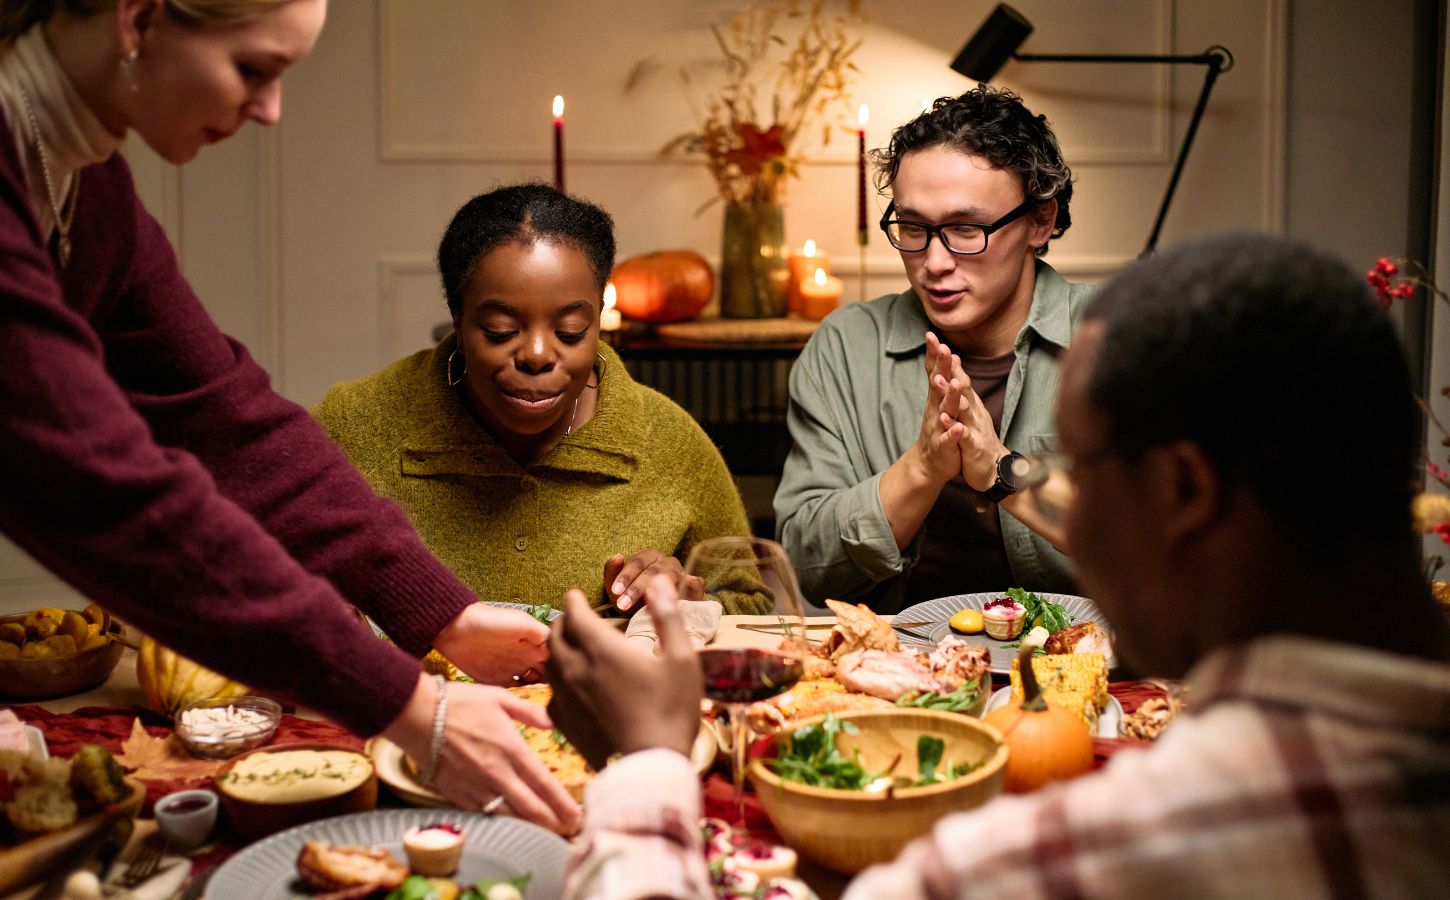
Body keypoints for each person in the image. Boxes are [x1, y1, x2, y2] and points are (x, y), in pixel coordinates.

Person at [547, 233, 1450, 897]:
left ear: (1184, 493)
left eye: (1081, 473)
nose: (1068, 516)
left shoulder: (1066, 858)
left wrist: (649, 761)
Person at [0, 0, 579, 833]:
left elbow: (230, 419)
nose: (271, 110)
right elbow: (113, 493)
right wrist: (409, 704)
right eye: (254, 69)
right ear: (138, 17)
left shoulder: (88, 186)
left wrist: (441, 613)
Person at [313, 184, 765, 632]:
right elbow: (259, 573)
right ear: (457, 316)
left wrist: (688, 602)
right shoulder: (356, 424)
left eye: (570, 331)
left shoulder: (668, 441)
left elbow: (755, 609)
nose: (536, 353)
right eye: (499, 330)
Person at [775, 86, 1095, 612]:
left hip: (1086, 663)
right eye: (913, 227)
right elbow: (808, 568)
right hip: (897, 670)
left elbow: (1163, 558)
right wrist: (922, 468)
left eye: (966, 229)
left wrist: (1000, 468)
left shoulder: (1118, 343)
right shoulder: (846, 347)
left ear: (1040, 221)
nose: (935, 262)